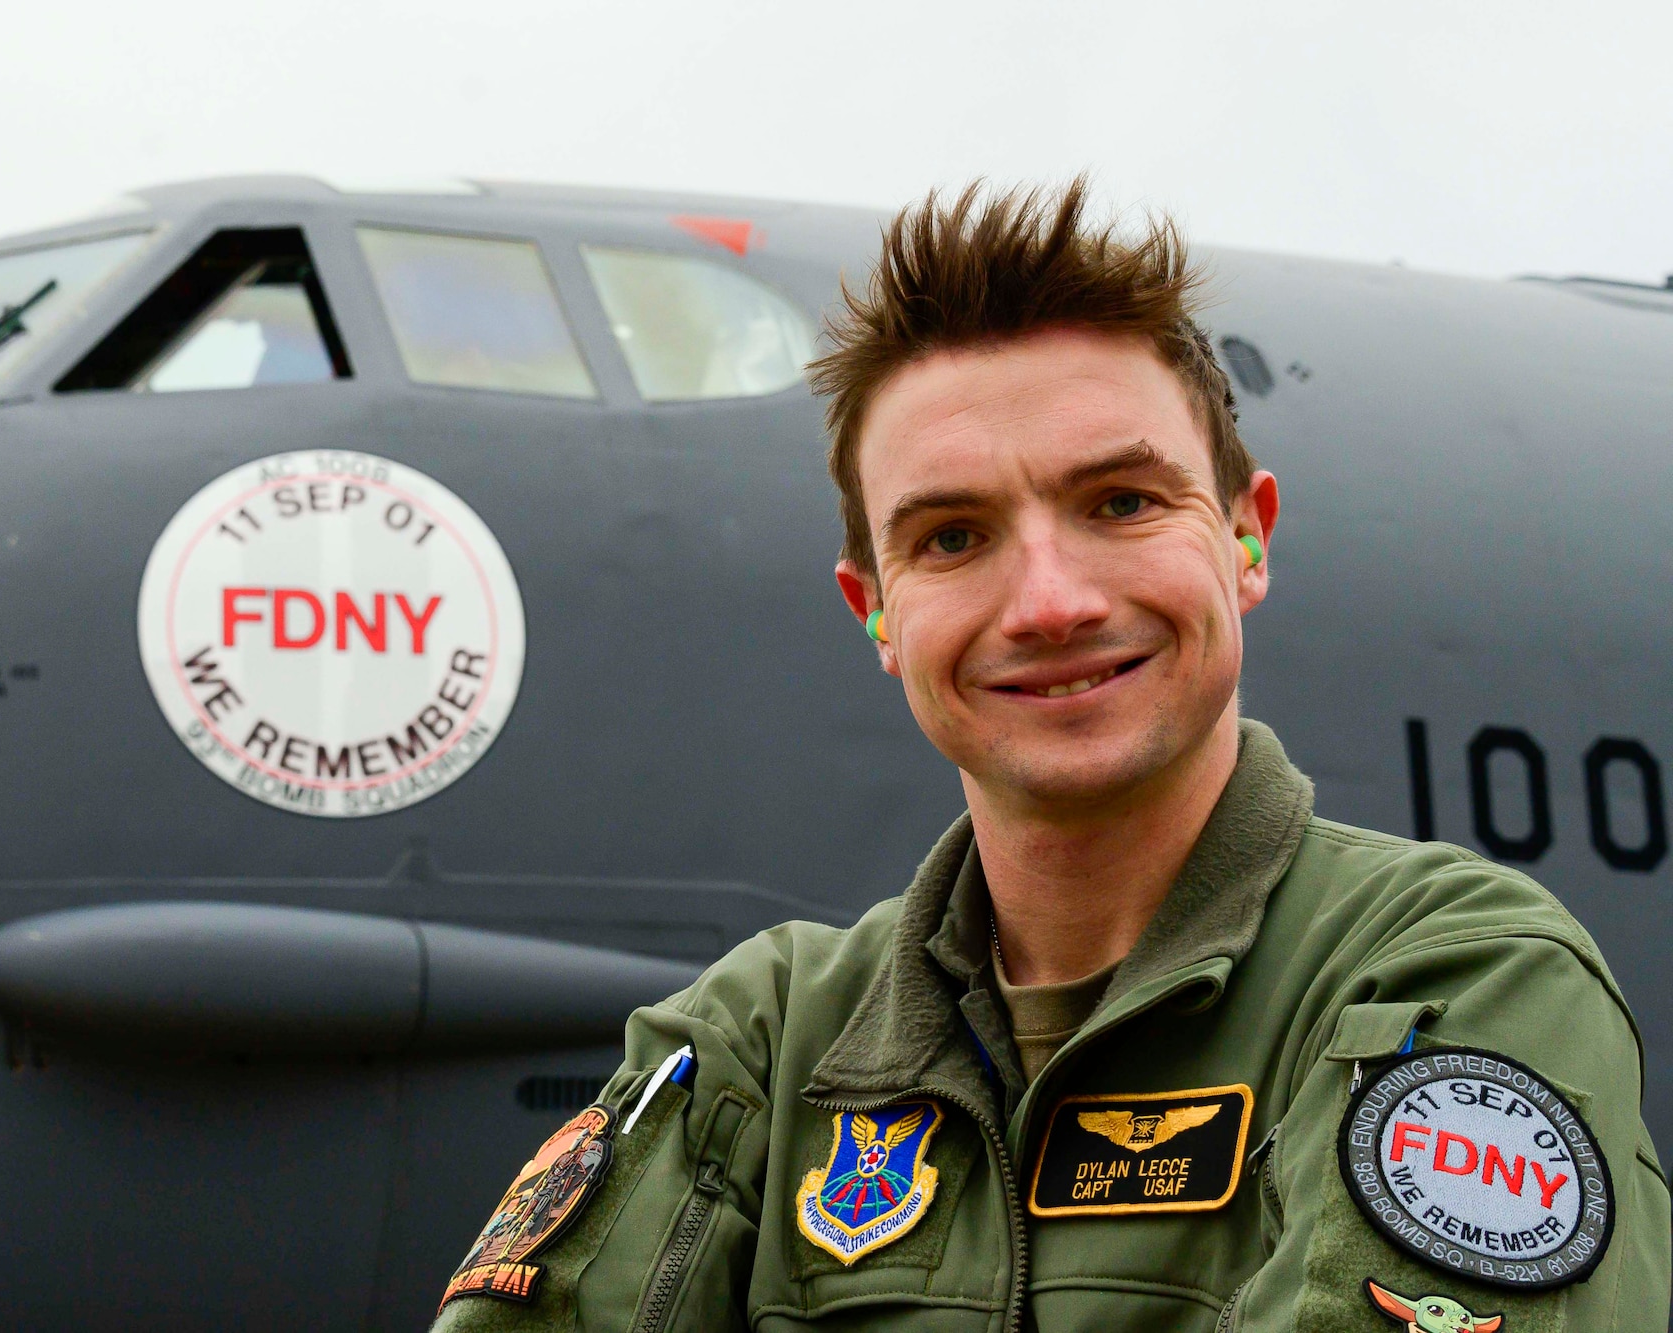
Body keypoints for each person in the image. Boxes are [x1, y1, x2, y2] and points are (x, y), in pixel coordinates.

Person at [431, 180, 1671, 1332]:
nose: (1047, 601)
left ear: (1244, 537)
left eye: (1121, 504)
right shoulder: (760, 1043)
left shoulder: (1447, 986)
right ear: (874, 609)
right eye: (954, 535)